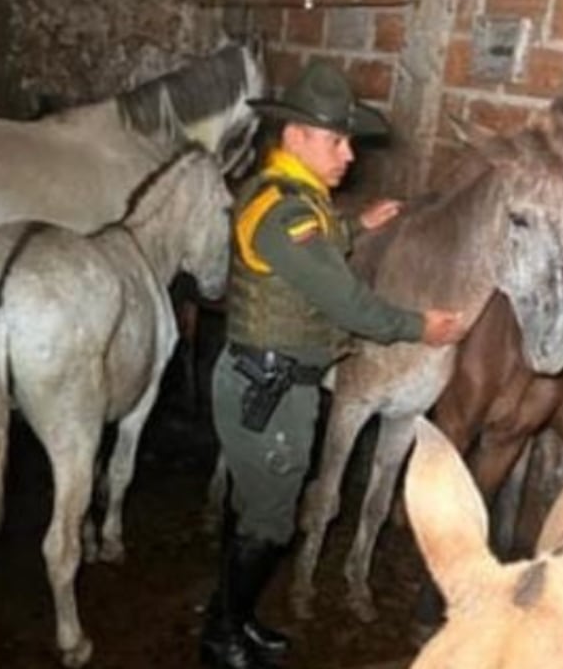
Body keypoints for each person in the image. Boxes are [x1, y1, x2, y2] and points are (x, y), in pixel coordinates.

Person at [201, 59, 466, 669]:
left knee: (255, 510)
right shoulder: (287, 211)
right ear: (296, 137)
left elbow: (309, 242)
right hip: (267, 391)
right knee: (270, 524)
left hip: (270, 383)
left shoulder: (286, 195)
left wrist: (355, 225)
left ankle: (233, 617)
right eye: (337, 139)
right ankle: (221, 637)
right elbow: (349, 303)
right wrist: (419, 326)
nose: (348, 154)